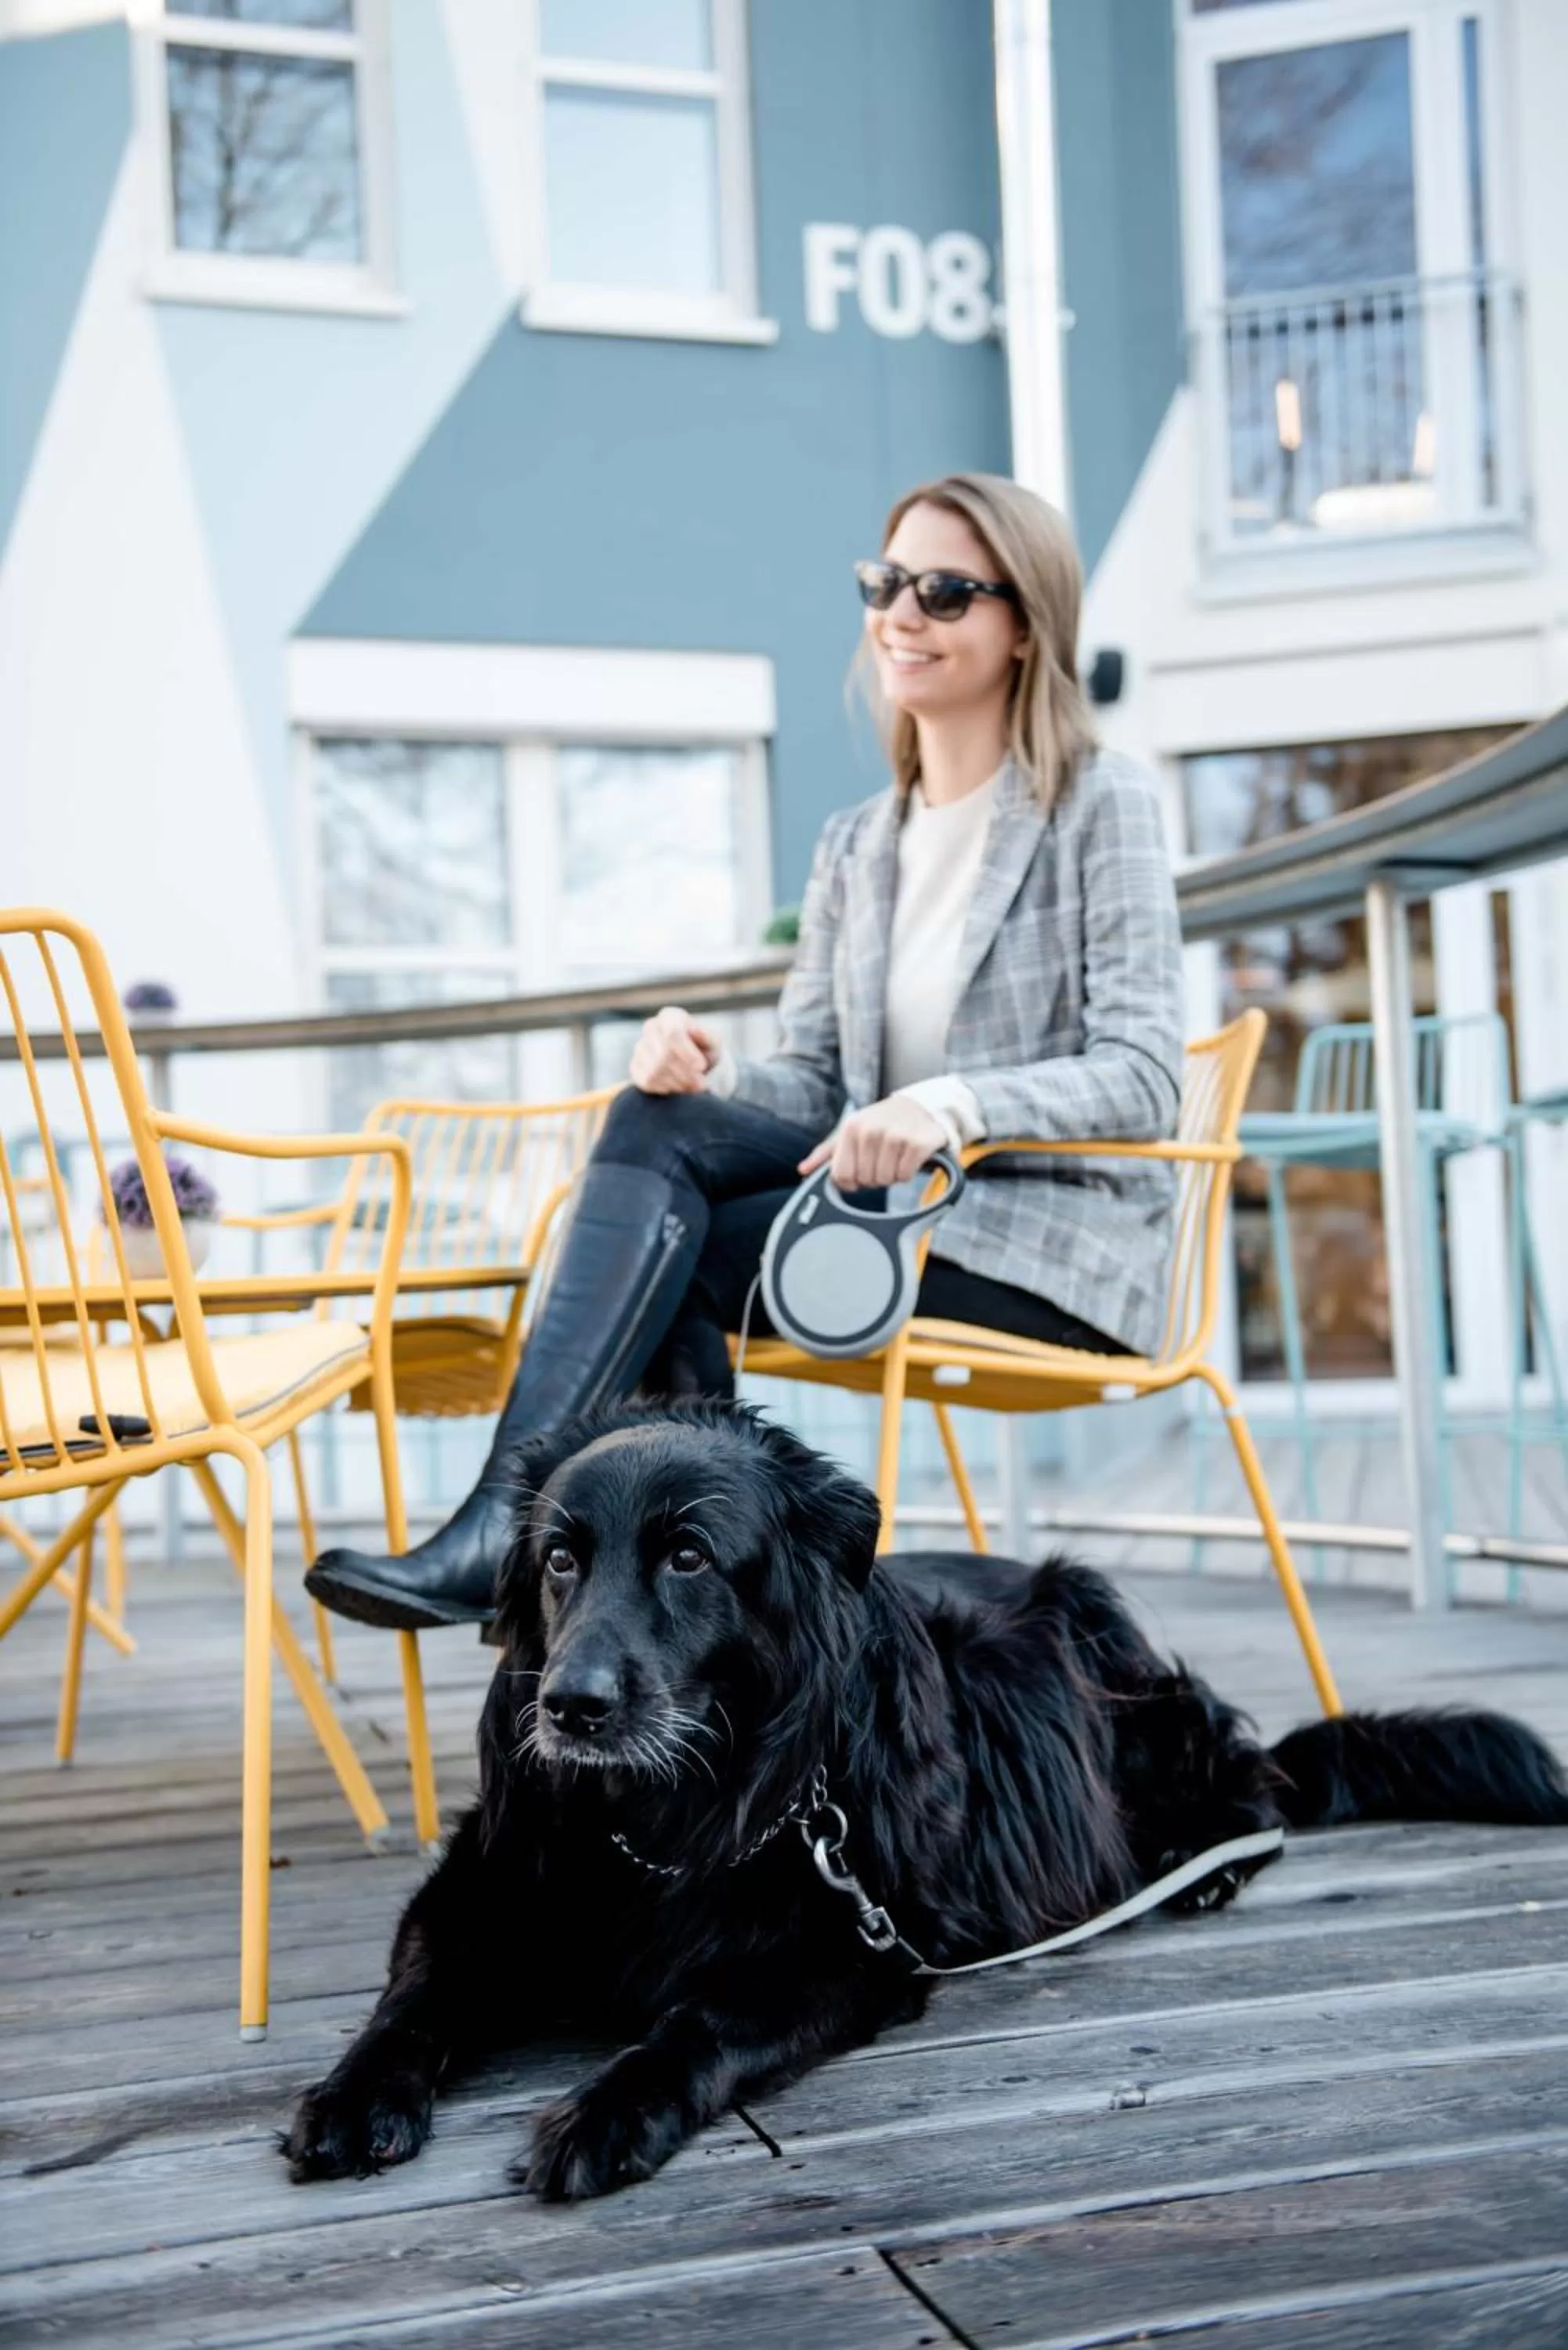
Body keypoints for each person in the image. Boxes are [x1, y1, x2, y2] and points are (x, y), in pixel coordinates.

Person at [306, 472, 1183, 1632]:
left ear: (1025, 625)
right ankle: (690, 1606)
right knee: (660, 1163)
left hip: (1038, 1235)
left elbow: (1144, 1072)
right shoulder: (857, 844)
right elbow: (816, 1079)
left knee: (659, 1256)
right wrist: (706, 1078)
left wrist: (948, 1104)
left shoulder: (1095, 802)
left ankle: (535, 1562)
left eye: (944, 591)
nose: (900, 616)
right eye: (885, 584)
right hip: (884, 1207)